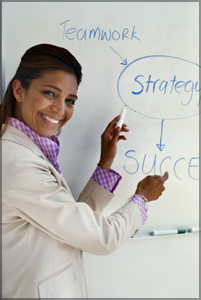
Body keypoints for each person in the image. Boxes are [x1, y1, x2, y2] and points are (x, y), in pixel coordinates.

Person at [1, 44, 168, 298]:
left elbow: (73, 224)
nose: (60, 109)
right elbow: (101, 237)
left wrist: (105, 163)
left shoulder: (31, 151)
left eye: (69, 100)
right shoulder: (18, 163)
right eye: (49, 93)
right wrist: (141, 199)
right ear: (19, 91)